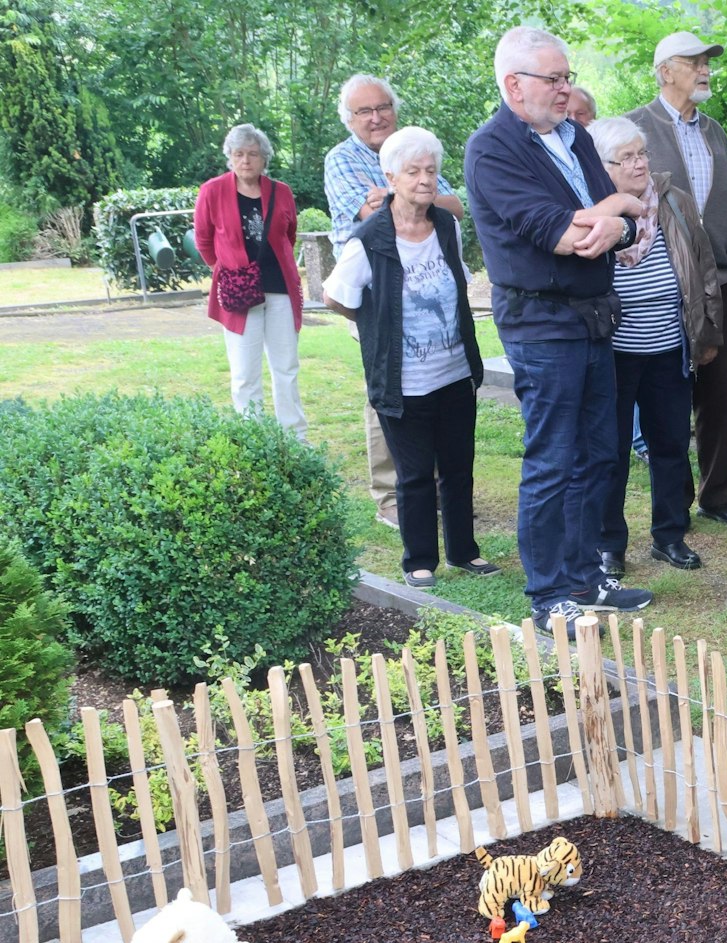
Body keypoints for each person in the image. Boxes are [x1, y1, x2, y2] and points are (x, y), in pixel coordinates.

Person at [464, 25, 652, 637]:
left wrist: (617, 218)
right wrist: (617, 214)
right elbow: (563, 233)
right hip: (542, 324)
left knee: (600, 452)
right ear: (515, 85)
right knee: (552, 460)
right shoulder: (492, 149)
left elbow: (628, 224)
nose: (567, 89)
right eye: (555, 78)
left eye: (568, 77)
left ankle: (583, 578)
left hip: (597, 316)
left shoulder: (575, 138)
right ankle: (547, 597)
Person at [321, 126, 501, 589]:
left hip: (454, 371)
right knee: (416, 475)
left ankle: (465, 552)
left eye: (432, 170)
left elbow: (458, 279)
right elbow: (336, 296)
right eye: (413, 171)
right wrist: (375, 322)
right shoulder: (370, 238)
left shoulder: (446, 226)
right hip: (403, 380)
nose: (425, 179)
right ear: (390, 177)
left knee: (459, 468)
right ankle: (419, 559)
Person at [324, 73, 467, 529]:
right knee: (387, 390)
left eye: (382, 107)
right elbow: (373, 216)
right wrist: (404, 198)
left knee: (436, 384)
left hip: (427, 289)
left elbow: (454, 206)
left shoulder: (411, 149)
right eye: (363, 111)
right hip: (372, 292)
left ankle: (437, 493)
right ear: (349, 119)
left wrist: (403, 192)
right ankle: (391, 496)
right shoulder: (341, 159)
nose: (375, 117)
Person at [587, 116, 725, 579]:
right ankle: (609, 545)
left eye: (641, 153)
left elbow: (704, 268)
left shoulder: (673, 200)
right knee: (610, 452)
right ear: (602, 166)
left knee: (669, 444)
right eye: (625, 158)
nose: (638, 163)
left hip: (669, 347)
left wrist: (706, 334)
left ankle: (670, 535)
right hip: (613, 353)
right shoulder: (591, 209)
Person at [625, 31, 727, 527]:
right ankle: (673, 500)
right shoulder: (636, 127)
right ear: (664, 72)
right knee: (670, 392)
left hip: (722, 278)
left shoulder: (715, 131)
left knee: (718, 391)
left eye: (706, 62)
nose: (705, 69)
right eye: (693, 61)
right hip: (664, 279)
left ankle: (717, 494)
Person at [194, 124, 306, 440]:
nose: (246, 161)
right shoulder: (212, 191)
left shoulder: (281, 191)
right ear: (229, 157)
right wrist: (227, 271)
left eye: (253, 154)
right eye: (239, 154)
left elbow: (289, 234)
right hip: (239, 293)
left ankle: (294, 436)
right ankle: (253, 438)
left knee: (286, 367)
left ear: (263, 158)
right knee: (245, 373)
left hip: (280, 289)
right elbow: (203, 240)